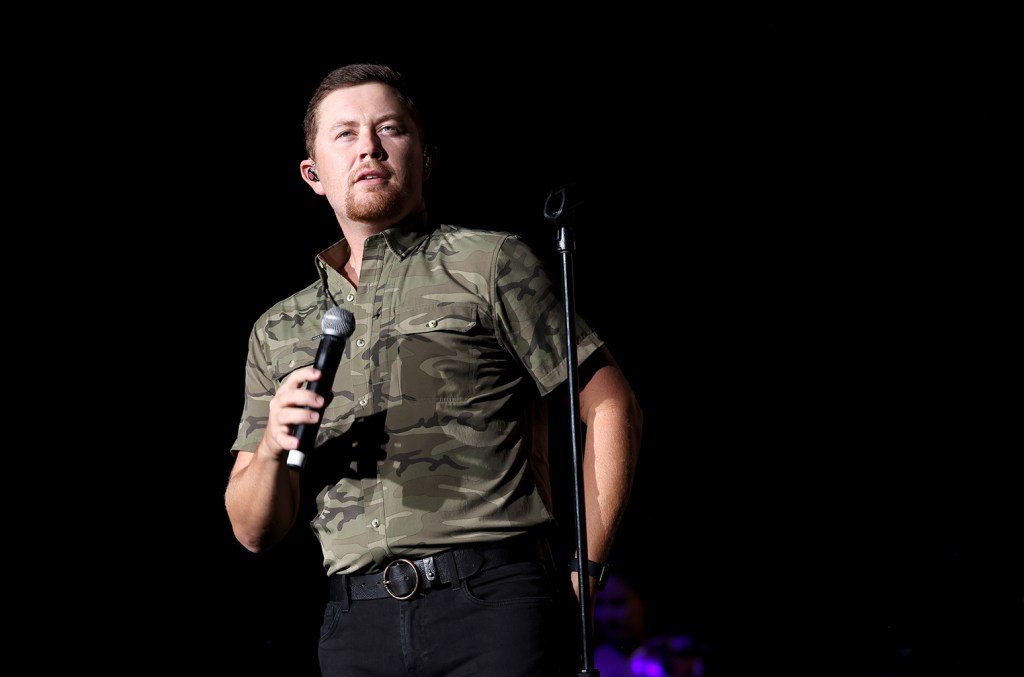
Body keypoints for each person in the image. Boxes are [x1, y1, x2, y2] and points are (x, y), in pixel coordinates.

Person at [224, 63, 642, 676]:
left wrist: (588, 569)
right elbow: (253, 531)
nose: (369, 147)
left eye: (390, 128)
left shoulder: (488, 263)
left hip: (494, 605)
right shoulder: (279, 328)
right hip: (356, 626)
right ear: (313, 174)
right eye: (345, 133)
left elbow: (610, 404)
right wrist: (269, 449)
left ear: (424, 156)